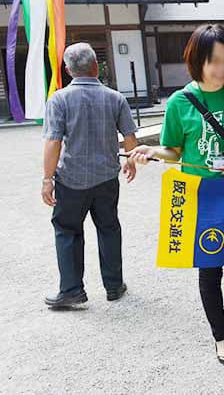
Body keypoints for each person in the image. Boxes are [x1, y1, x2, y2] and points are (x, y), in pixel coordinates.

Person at [129, 24, 224, 367]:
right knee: (209, 271)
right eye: (213, 61)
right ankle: (221, 337)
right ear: (196, 61)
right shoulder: (180, 101)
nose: (222, 69)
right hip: (201, 201)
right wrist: (151, 153)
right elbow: (174, 151)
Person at [41, 42, 137, 308]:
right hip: (106, 178)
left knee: (67, 230)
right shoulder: (115, 97)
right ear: (96, 66)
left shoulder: (59, 99)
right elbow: (129, 135)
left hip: (71, 179)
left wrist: (47, 179)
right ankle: (114, 285)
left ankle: (72, 290)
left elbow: (53, 142)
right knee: (109, 228)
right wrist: (131, 160)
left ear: (69, 70)